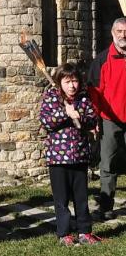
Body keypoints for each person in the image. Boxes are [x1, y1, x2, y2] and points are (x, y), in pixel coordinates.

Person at [40, 63, 101, 246]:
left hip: (80, 155)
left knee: (81, 197)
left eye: (74, 81)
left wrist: (80, 116)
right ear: (60, 83)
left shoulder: (83, 99)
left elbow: (92, 119)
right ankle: (64, 233)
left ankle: (84, 231)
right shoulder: (52, 97)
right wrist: (63, 113)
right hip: (58, 158)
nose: (72, 85)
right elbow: (46, 121)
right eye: (67, 81)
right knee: (62, 199)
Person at [88, 17, 126, 221]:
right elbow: (94, 92)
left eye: (125, 31)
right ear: (113, 33)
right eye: (119, 31)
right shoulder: (102, 60)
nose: (123, 35)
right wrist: (94, 118)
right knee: (108, 163)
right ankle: (106, 205)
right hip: (109, 118)